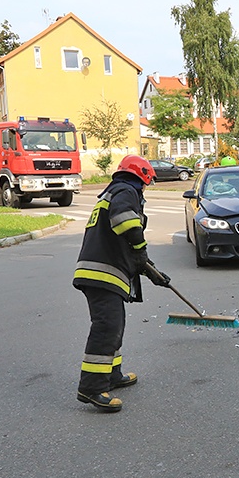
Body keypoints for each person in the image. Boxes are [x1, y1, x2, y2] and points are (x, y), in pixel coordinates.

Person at [72, 155, 170, 412]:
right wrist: (141, 251)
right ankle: (91, 387)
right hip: (101, 273)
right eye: (148, 184)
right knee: (107, 326)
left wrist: (149, 269)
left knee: (116, 325)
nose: (146, 190)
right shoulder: (126, 190)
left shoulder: (115, 191)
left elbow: (124, 240)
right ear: (142, 177)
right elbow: (126, 222)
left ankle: (111, 375)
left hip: (102, 272)